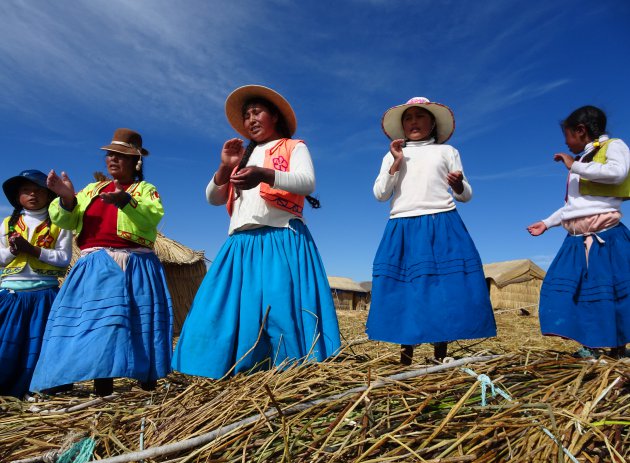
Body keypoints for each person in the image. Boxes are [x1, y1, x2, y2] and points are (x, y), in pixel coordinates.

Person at [172, 85, 340, 379]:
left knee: (280, 310)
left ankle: (289, 372)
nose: (250, 119)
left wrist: (264, 174)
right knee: (219, 309)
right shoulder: (243, 157)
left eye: (256, 112)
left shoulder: (293, 147)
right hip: (240, 243)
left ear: (274, 115)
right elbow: (212, 197)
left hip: (281, 238)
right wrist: (226, 167)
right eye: (246, 115)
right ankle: (218, 366)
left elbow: (307, 181)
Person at [29, 128, 173, 395]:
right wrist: (67, 198)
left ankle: (146, 383)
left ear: (136, 160)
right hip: (94, 266)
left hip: (134, 265)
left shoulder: (144, 190)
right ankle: (85, 385)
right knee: (90, 324)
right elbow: (64, 220)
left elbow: (152, 216)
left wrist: (126, 201)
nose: (112, 159)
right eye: (110, 155)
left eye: (121, 155)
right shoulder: (91, 190)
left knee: (138, 321)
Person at [366, 97, 496, 364]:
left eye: (420, 117)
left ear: (433, 122)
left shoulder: (447, 151)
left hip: (442, 223)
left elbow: (466, 195)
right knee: (406, 289)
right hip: (403, 224)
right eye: (408, 118)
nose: (414, 122)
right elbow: (380, 194)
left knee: (443, 288)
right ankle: (405, 358)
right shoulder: (392, 154)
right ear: (402, 125)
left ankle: (440, 357)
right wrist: (395, 163)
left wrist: (458, 183)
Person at [527, 105, 630, 358]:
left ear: (581, 130)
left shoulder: (612, 147)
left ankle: (618, 347)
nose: (566, 143)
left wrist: (575, 166)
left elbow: (618, 173)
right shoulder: (582, 161)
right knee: (566, 291)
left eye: (568, 137)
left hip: (606, 238)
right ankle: (591, 345)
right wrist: (547, 222)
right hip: (574, 241)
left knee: (612, 293)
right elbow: (573, 207)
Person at [0, 170, 72, 398]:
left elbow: (63, 258)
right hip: (11, 295)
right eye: (26, 190)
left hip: (45, 295)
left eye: (39, 190)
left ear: (49, 194)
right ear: (17, 196)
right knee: (7, 346)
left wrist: (32, 250)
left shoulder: (60, 223)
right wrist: (13, 251)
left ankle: (38, 390)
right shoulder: (7, 223)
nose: (32, 194)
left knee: (39, 348)